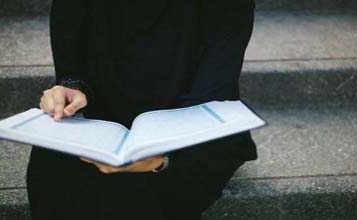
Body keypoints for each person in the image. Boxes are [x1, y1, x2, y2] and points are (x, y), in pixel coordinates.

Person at [27, 0, 258, 219]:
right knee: (51, 162)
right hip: (103, 118)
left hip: (197, 125)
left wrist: (162, 159)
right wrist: (70, 91)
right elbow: (72, 69)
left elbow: (212, 91)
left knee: (139, 187)